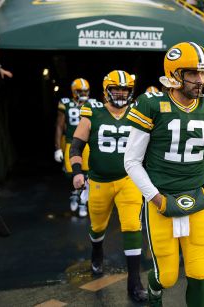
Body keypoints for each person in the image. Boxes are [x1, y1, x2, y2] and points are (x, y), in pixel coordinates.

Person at [124, 41, 204, 307]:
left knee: (198, 271)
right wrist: (156, 198)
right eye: (193, 73)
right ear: (174, 74)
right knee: (167, 276)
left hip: (196, 196)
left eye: (203, 73)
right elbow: (132, 161)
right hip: (163, 198)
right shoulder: (151, 104)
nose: (200, 80)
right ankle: (155, 292)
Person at [70, 70, 147, 302]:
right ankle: (97, 250)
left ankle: (134, 283)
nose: (121, 94)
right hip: (100, 181)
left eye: (125, 90)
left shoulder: (137, 112)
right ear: (107, 91)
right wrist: (77, 172)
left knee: (133, 225)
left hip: (129, 179)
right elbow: (76, 146)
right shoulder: (92, 112)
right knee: (97, 227)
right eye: (117, 89)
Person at [54, 78, 91, 217]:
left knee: (87, 173)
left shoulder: (92, 104)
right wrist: (58, 147)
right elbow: (59, 125)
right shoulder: (66, 103)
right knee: (72, 173)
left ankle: (82, 201)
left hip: (87, 143)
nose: (84, 93)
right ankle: (76, 193)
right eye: (80, 91)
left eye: (86, 91)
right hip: (71, 141)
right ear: (74, 91)